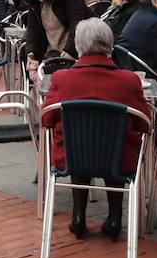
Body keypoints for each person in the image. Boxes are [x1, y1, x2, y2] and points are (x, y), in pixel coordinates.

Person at [40, 18, 150, 240]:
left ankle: (78, 216)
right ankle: (115, 217)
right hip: (119, 157)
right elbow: (143, 122)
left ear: (78, 46)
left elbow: (47, 119)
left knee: (78, 143)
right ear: (109, 44)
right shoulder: (129, 80)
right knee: (117, 142)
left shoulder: (62, 78)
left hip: (72, 156)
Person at [23, 0, 94, 76]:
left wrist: (70, 49)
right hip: (51, 52)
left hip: (75, 49)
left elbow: (77, 22)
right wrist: (31, 51)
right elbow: (32, 28)